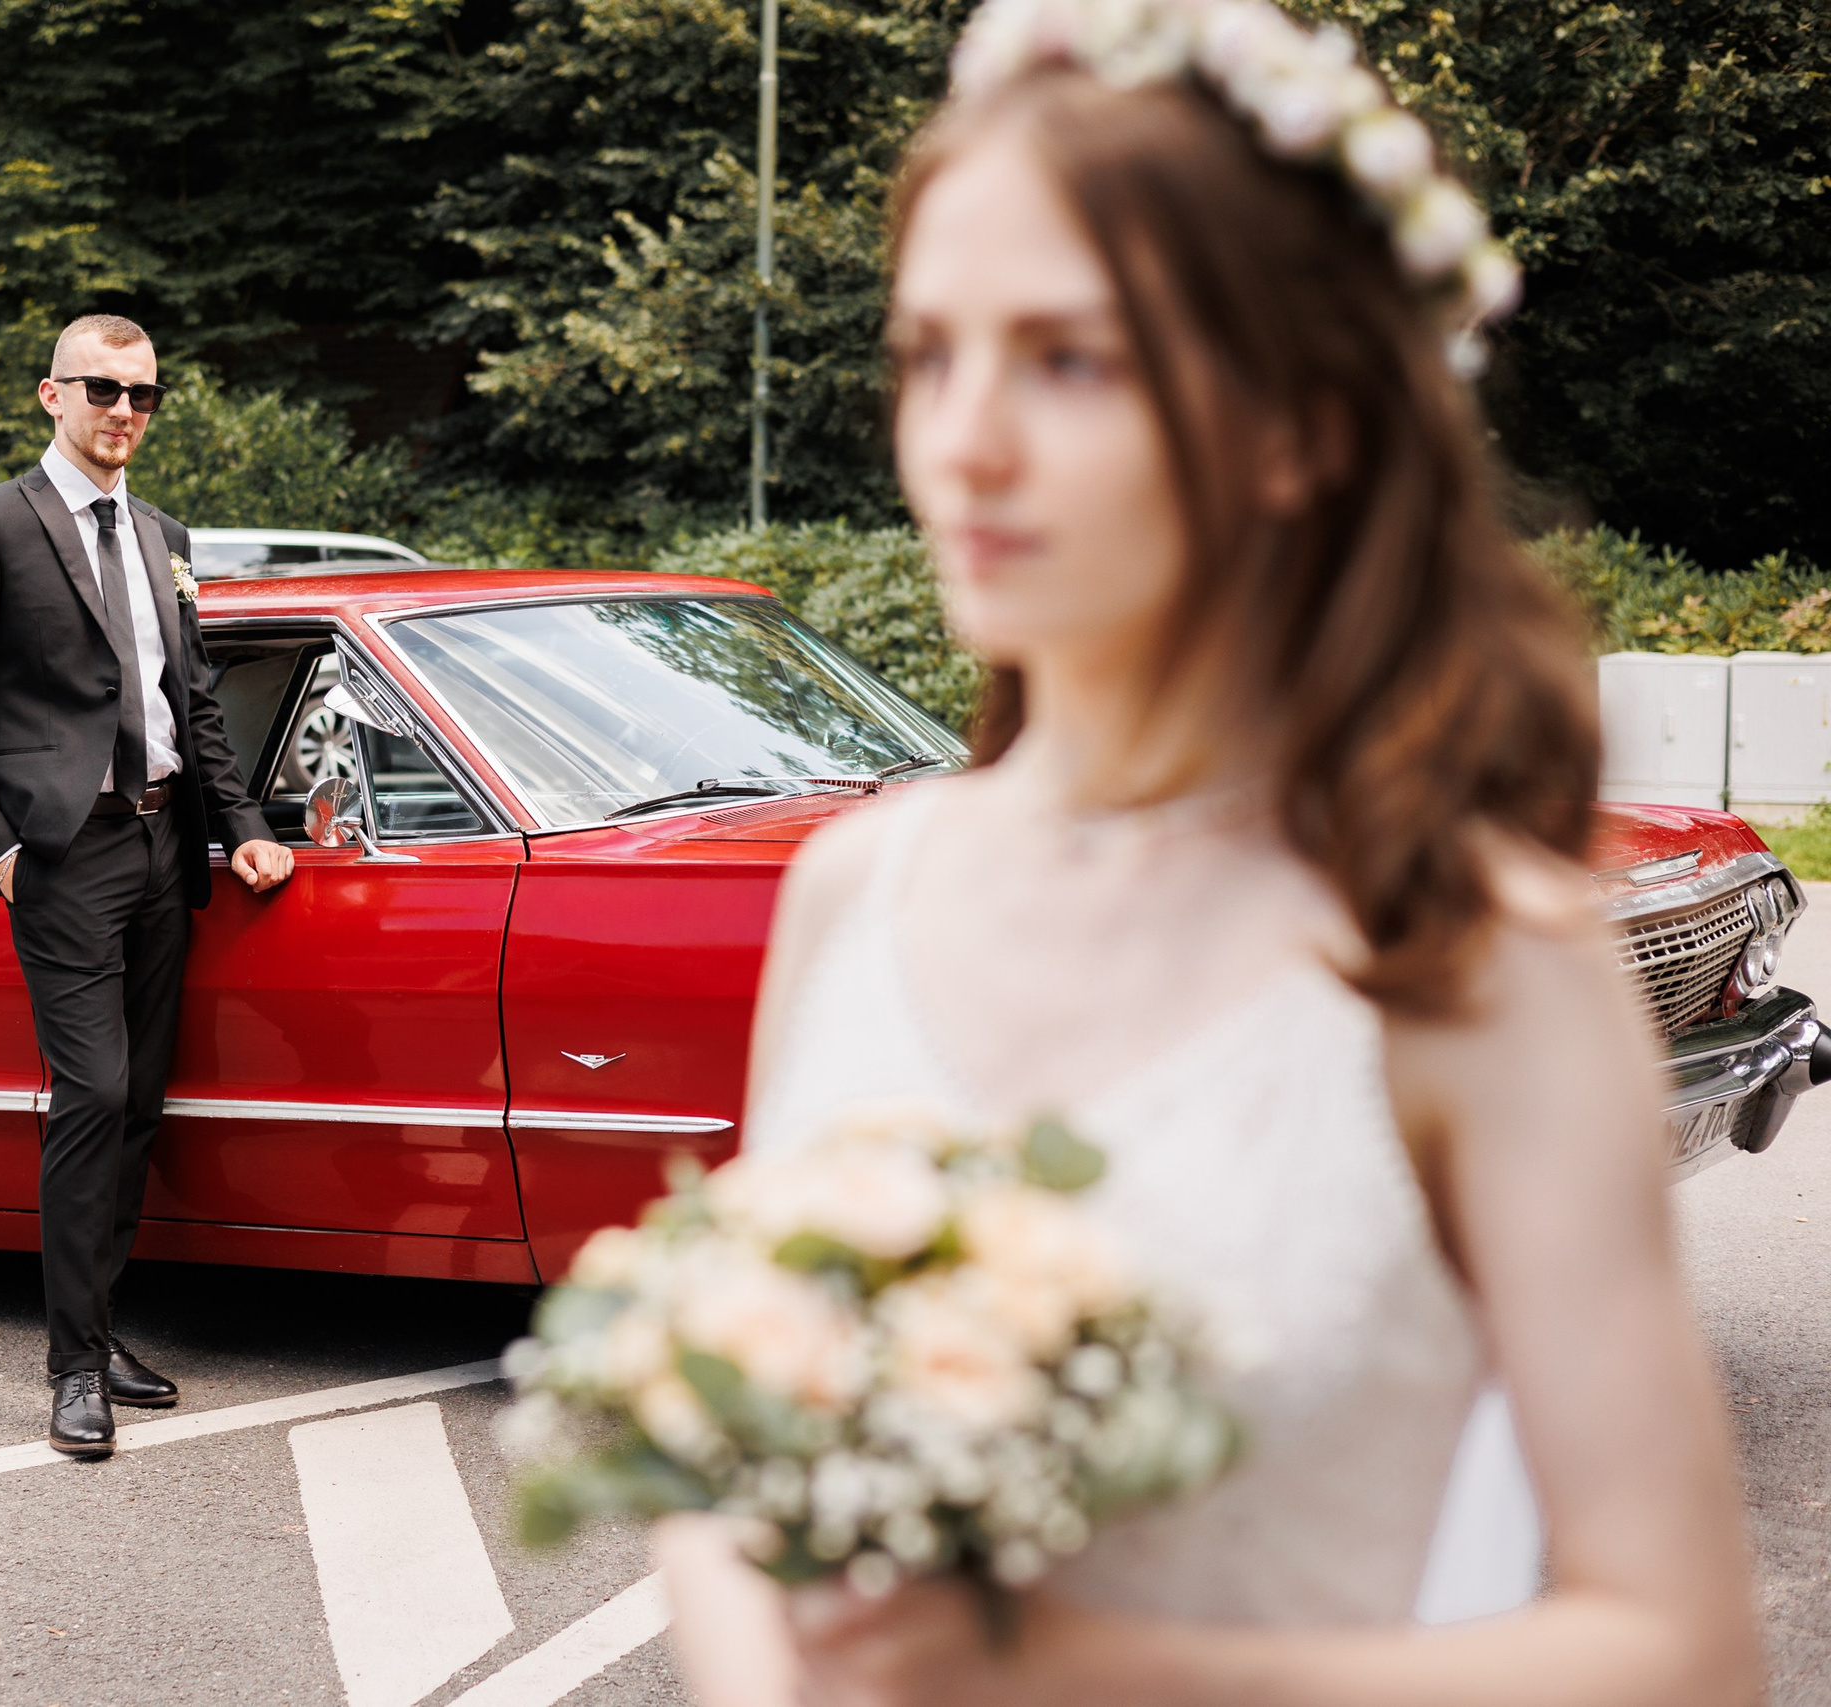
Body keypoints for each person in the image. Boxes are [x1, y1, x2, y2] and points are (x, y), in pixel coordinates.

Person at [654, 0, 1765, 1700]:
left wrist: (1075, 1670)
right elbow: (730, 1468)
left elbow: (1677, 1649)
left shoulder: (1477, 959)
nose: (964, 441)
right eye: (930, 352)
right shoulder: (854, 892)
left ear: (1298, 424)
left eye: (1070, 358)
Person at [0, 313, 294, 1458]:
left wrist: (244, 827)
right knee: (93, 1094)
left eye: (143, 395)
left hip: (167, 846)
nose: (125, 411)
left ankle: (103, 1328)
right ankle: (72, 1368)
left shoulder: (164, 534)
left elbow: (195, 702)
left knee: (137, 1106)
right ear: (52, 395)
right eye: (103, 390)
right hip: (64, 855)